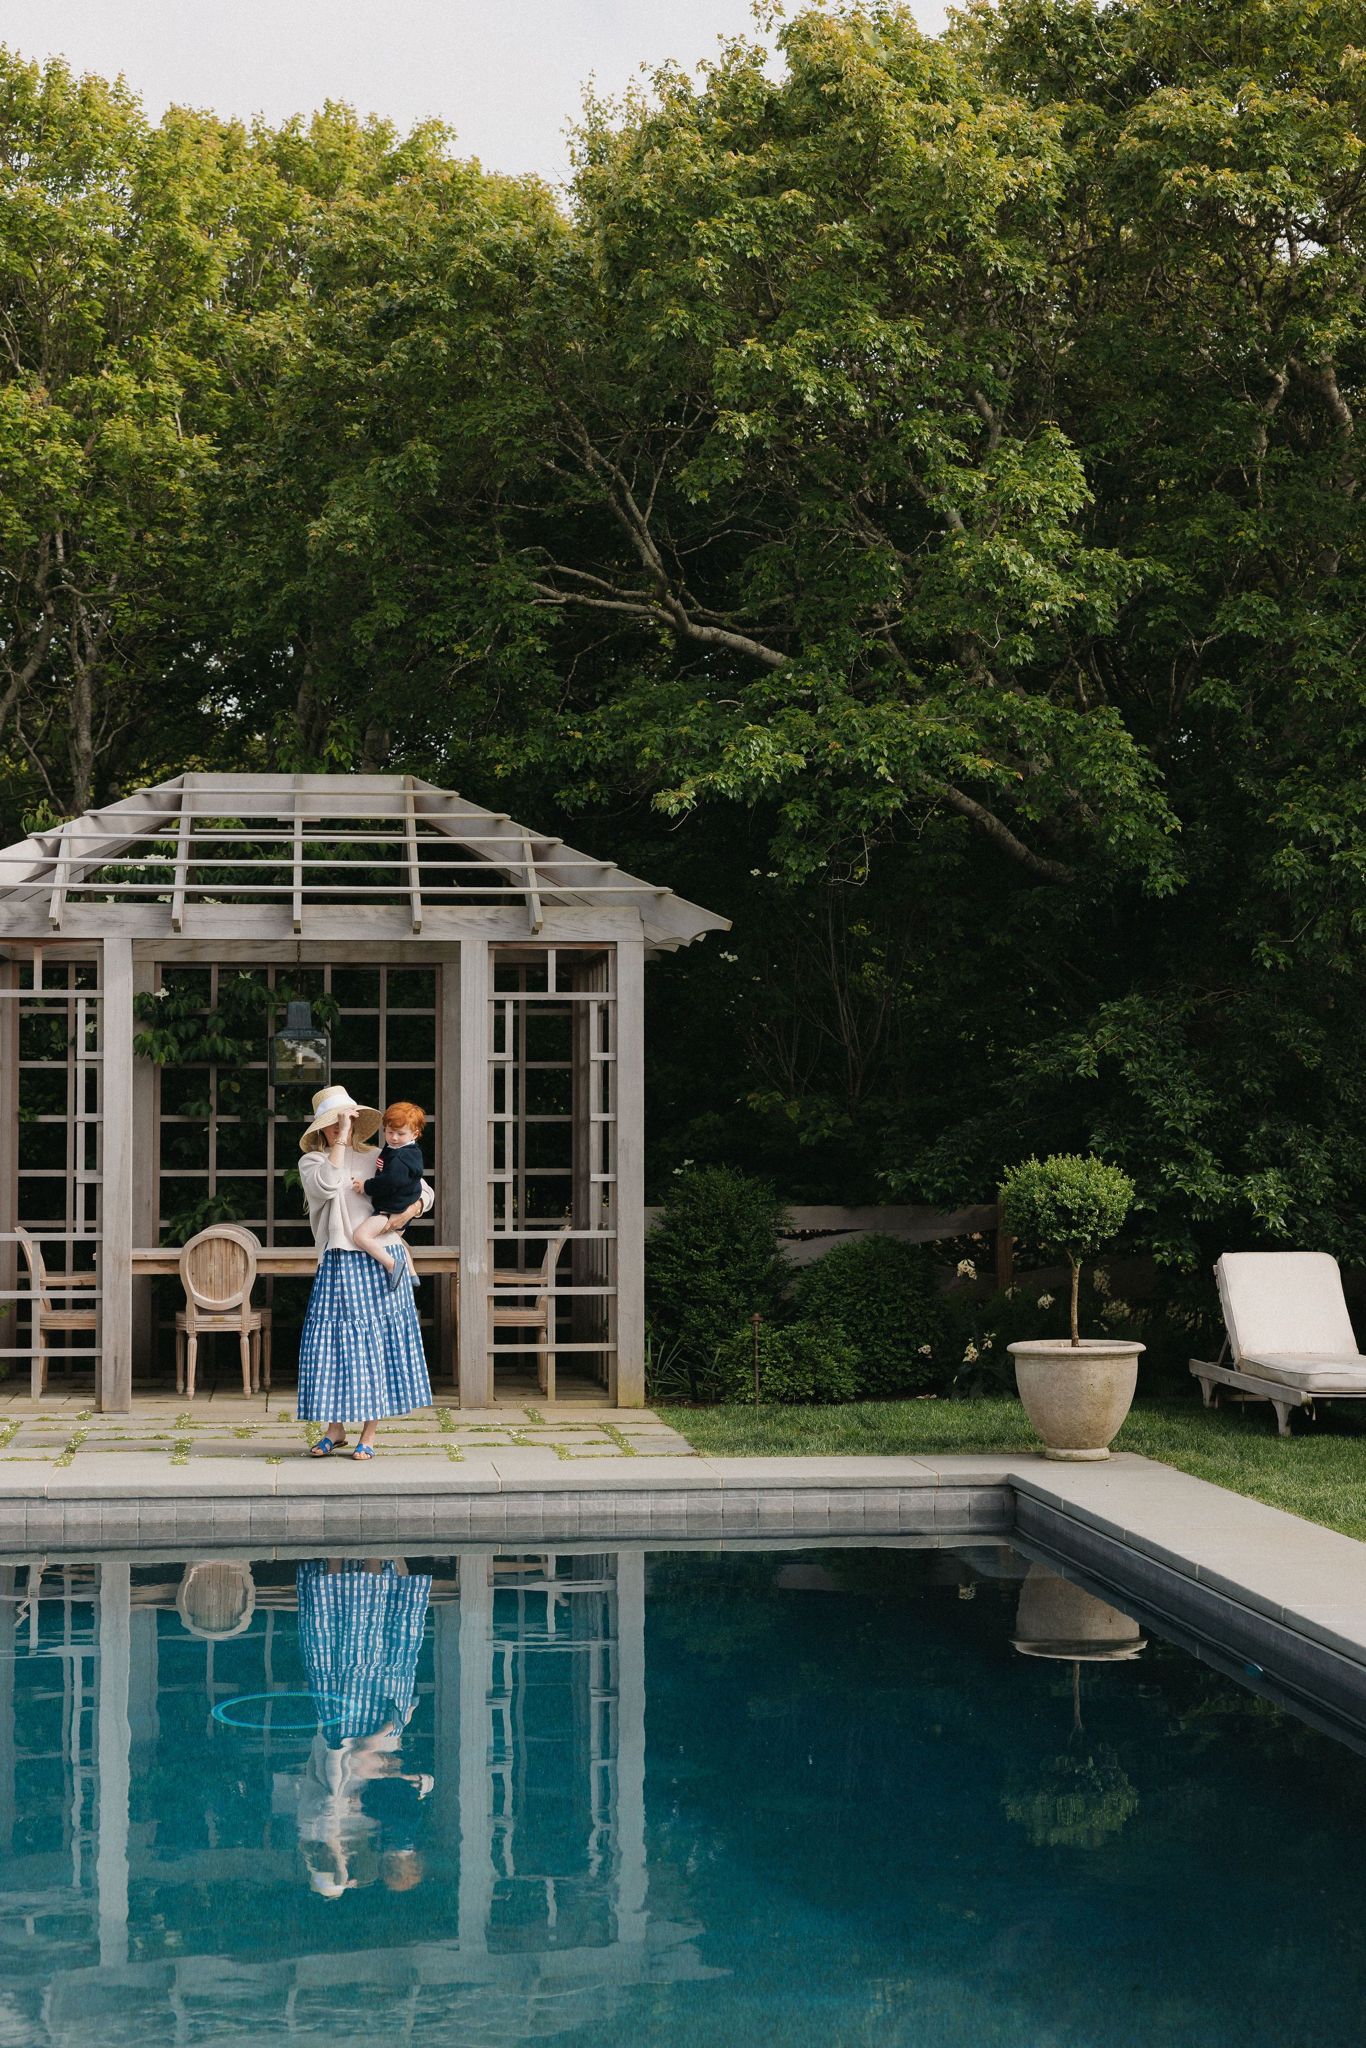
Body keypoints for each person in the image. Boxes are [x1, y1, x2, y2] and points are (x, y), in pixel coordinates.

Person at [296, 1084, 433, 1461]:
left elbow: (424, 1190)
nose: (343, 1128)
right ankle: (334, 1430)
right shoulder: (313, 1163)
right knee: (333, 1346)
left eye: (349, 1121)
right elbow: (326, 1186)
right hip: (339, 1260)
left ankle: (368, 1435)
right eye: (334, 1123)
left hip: (381, 1259)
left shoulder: (380, 1154)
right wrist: (338, 1141)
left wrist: (410, 1212)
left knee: (377, 1345)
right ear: (322, 1129)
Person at [351, 1101, 427, 1292]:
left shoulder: (400, 1157)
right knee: (397, 1241)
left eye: (400, 1134)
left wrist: (366, 1186)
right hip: (400, 1206)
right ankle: (411, 1273)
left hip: (390, 1210)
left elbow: (389, 1181)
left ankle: (393, 1265)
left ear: (415, 1134)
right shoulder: (405, 1151)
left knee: (361, 1236)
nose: (393, 1138)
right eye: (389, 1132)